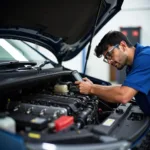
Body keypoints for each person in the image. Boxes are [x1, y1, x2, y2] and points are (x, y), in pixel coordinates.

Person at [75, 30, 150, 115]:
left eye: (110, 55)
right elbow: (125, 89)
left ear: (123, 46)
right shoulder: (131, 66)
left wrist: (91, 88)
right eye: (106, 59)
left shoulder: (146, 58)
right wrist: (94, 87)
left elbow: (123, 95)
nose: (110, 62)